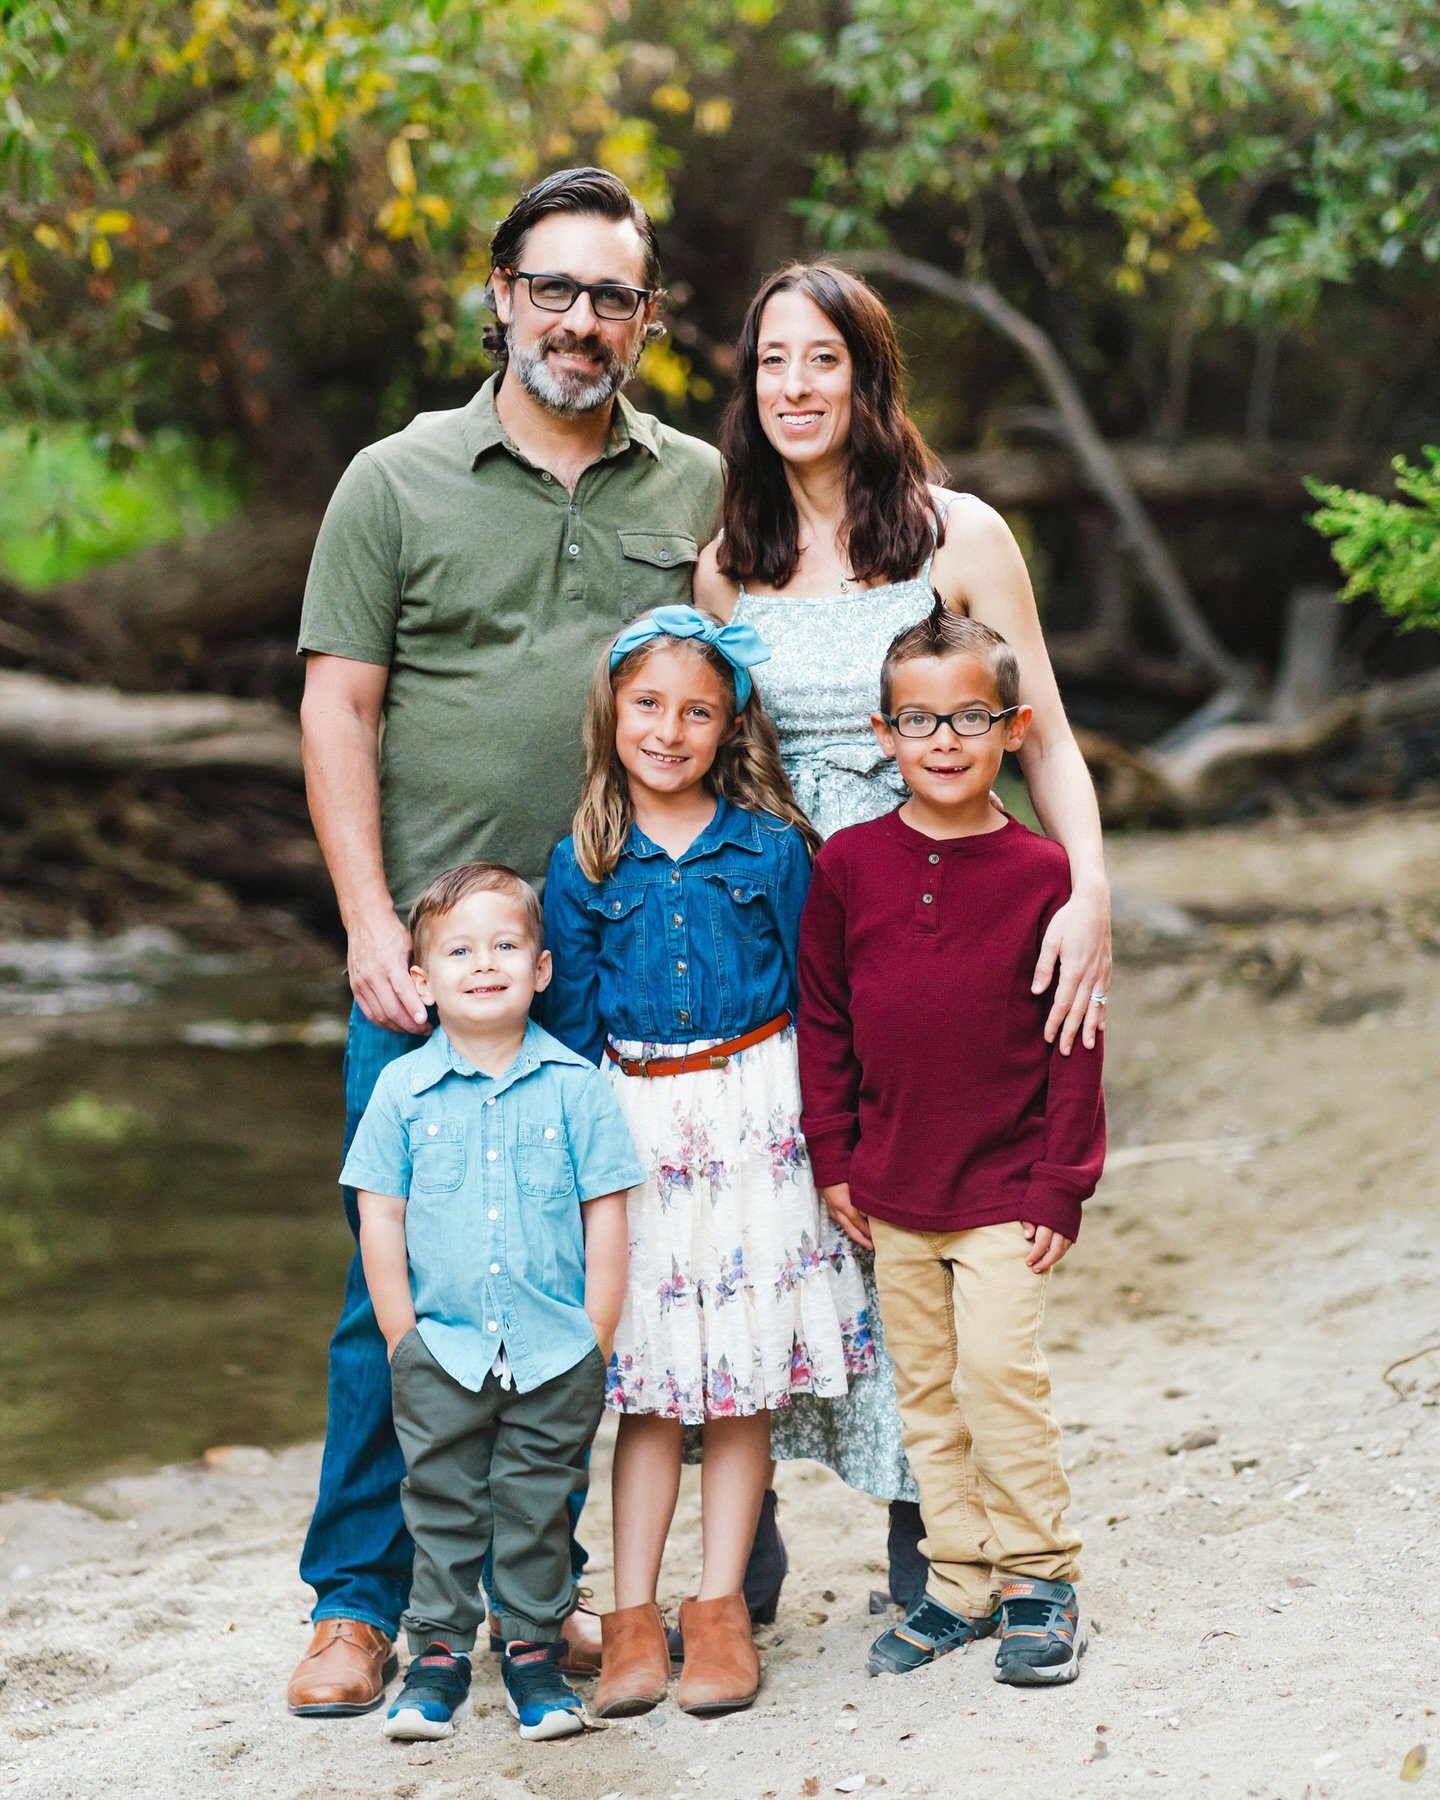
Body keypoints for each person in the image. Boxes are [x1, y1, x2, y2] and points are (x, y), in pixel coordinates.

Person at [288, 166, 723, 1717]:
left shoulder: (693, 486)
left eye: (614, 296)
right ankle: (358, 1602)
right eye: (556, 288)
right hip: (440, 963)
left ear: (647, 318)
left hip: (637, 948)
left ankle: (645, 1591)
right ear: (499, 298)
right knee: (396, 1281)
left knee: (648, 1265)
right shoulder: (394, 481)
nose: (583, 321)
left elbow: (745, 683)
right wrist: (362, 923)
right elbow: (338, 705)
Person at [693, 261, 1112, 1608]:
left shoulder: (960, 537)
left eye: (823, 362)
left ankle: (925, 1531)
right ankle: (740, 1539)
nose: (796, 388)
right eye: (772, 365)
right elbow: (715, 765)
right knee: (770, 1216)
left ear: (868, 381)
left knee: (917, 1214)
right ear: (748, 391)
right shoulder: (728, 565)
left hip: (940, 929)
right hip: (778, 932)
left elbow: (1040, 727)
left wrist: (1089, 897)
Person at [540, 605, 874, 1718]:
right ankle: (633, 1616)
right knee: (644, 1389)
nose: (670, 730)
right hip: (640, 1134)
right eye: (648, 706)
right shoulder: (584, 858)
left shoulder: (772, 849)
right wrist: (570, 1177)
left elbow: (820, 1002)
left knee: (739, 1385)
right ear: (612, 713)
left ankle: (719, 1608)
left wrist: (838, 1142)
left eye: (696, 710)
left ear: (730, 725)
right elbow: (573, 1038)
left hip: (757, 1123)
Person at [797, 606, 1105, 1685]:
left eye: (969, 718)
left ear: (1012, 728)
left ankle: (1039, 1578)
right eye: (918, 720)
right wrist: (834, 1155)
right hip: (890, 1189)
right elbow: (825, 1019)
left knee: (999, 1378)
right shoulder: (848, 866)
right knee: (923, 1392)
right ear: (884, 734)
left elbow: (1076, 1046)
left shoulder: (1042, 877)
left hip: (1006, 1193)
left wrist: (1062, 1185)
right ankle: (960, 1584)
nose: (943, 740)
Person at [345, 862, 641, 1741]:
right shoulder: (402, 1091)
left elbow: (606, 1217)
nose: (484, 963)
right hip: (442, 1347)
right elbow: (379, 1219)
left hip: (555, 1349)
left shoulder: (577, 1087)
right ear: (422, 978)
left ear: (541, 970)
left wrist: (595, 1332)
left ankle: (532, 1655)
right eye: (460, 950)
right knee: (439, 1501)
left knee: (538, 1503)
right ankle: (437, 1657)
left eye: (506, 945)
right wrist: (403, 1337)